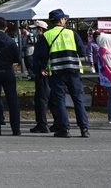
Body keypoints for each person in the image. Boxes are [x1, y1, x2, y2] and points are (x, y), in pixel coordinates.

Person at [33, 9, 88, 138]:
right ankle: (84, 128)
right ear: (61, 20)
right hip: (74, 71)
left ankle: (64, 129)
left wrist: (41, 68)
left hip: (57, 72)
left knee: (60, 100)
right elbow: (82, 52)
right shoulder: (72, 33)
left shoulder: (46, 35)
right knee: (78, 99)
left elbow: (40, 56)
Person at [29, 20, 52, 133]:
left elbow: (41, 56)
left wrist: (41, 68)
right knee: (51, 98)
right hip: (51, 72)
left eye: (35, 29)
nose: (34, 31)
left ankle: (42, 123)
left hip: (43, 73)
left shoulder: (42, 40)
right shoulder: (49, 38)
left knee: (41, 99)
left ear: (40, 30)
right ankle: (57, 122)